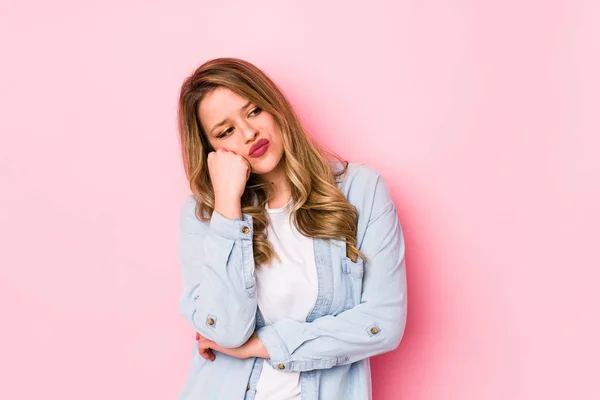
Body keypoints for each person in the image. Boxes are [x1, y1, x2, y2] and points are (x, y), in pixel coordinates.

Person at [176, 57, 407, 400]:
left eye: (254, 111)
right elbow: (223, 331)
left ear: (275, 106)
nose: (249, 133)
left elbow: (382, 324)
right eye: (226, 131)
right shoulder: (205, 216)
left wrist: (262, 345)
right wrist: (227, 206)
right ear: (212, 151)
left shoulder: (360, 190)